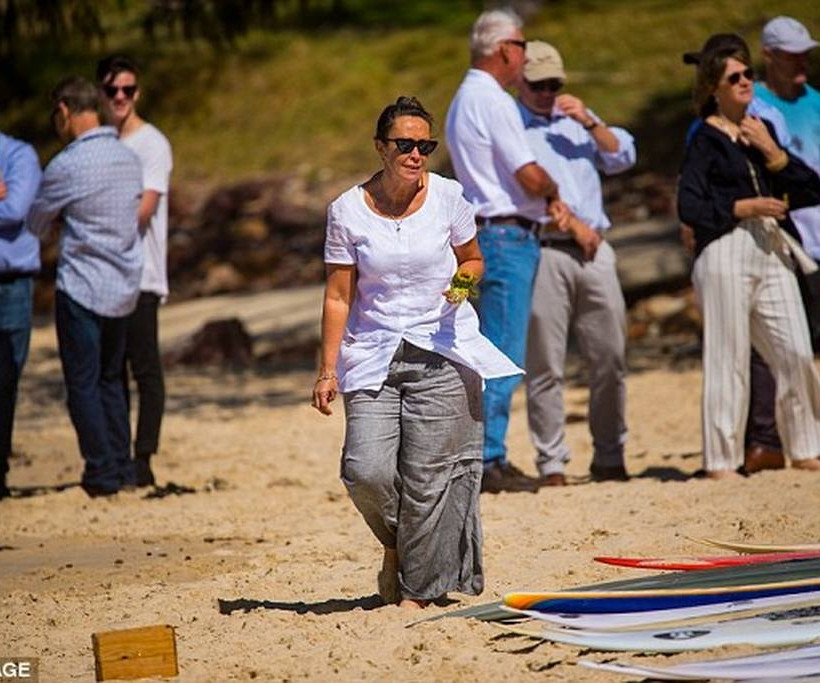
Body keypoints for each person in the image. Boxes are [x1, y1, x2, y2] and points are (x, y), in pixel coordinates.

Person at [312, 96, 520, 608]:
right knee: (366, 470)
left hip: (442, 348)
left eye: (424, 145)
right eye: (404, 144)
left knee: (430, 481)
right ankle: (398, 546)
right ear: (381, 147)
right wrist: (326, 370)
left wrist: (462, 285)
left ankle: (418, 592)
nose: (415, 153)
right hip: (373, 352)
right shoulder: (346, 210)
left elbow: (473, 260)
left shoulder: (449, 197)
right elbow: (339, 295)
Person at [446, 9, 588, 493]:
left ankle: (485, 454)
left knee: (485, 343)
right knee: (502, 351)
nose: (526, 55)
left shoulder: (464, 98)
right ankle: (488, 459)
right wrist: (553, 190)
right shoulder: (493, 100)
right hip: (507, 234)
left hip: (487, 232)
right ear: (505, 49)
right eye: (523, 46)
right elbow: (526, 171)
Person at [677, 40, 820, 478]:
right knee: (729, 356)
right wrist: (744, 206)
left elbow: (810, 187)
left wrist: (773, 155)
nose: (745, 83)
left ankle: (806, 446)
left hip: (772, 246)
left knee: (795, 349)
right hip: (724, 247)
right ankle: (721, 459)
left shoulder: (761, 131)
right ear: (714, 89)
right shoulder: (704, 139)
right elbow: (691, 207)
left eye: (748, 75)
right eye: (733, 78)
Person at [517, 41, 636, 486]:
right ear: (521, 83)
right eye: (538, 84)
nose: (547, 92)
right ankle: (551, 462)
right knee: (546, 362)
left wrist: (589, 119)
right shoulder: (511, 127)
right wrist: (570, 225)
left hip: (595, 249)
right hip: (545, 247)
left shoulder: (578, 124)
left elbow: (623, 155)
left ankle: (610, 454)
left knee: (611, 356)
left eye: (555, 84)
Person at [27, 76, 143, 497]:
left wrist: (62, 219)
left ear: (63, 111)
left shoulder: (66, 164)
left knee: (82, 382)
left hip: (82, 284)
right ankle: (123, 466)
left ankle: (101, 471)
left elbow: (37, 222)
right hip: (124, 283)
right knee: (112, 379)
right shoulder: (128, 158)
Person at [98, 55, 173, 488]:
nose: (121, 98)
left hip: (141, 273)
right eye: (112, 91)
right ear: (101, 94)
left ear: (137, 92)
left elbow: (142, 211)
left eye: (128, 89)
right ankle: (117, 458)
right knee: (111, 371)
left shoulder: (152, 144)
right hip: (104, 277)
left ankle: (143, 458)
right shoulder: (102, 144)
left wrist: (93, 227)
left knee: (145, 369)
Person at [755, 16, 820, 346]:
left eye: (805, 53)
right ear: (769, 55)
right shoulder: (750, 103)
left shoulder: (817, 103)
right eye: (792, 54)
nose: (802, 61)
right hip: (785, 239)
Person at [0, 128, 42, 499]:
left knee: (7, 378)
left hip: (12, 282)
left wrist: (7, 199)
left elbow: (14, 209)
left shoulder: (18, 154)